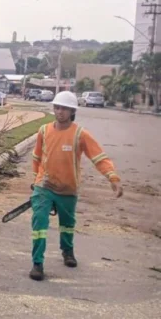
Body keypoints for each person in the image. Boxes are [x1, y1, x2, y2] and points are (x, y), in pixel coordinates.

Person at [28, 90, 123, 281]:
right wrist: (36, 180)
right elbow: (37, 157)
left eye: (64, 108)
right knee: (39, 223)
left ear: (72, 111)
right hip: (44, 186)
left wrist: (112, 178)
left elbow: (98, 157)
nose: (60, 111)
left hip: (68, 189)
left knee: (67, 224)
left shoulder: (80, 134)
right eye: (57, 107)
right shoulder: (44, 131)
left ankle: (67, 251)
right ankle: (37, 263)